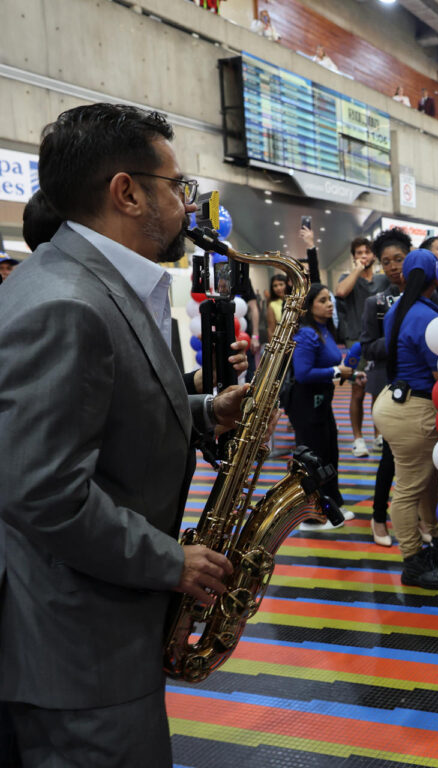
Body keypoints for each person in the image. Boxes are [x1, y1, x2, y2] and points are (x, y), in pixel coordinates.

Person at [0, 103, 247, 766]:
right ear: (127, 192)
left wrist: (201, 412)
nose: (187, 204)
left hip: (96, 634)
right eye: (177, 185)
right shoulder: (66, 301)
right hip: (79, 651)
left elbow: (100, 406)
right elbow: (44, 491)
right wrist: (173, 562)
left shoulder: (85, 283)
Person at [372, 249, 438, 588]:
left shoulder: (400, 309)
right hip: (415, 409)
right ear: (436, 280)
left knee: (426, 480)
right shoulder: (428, 317)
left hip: (393, 401)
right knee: (410, 487)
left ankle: (435, 541)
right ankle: (412, 561)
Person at [286, 283, 356, 531]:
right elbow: (303, 374)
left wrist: (345, 374)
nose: (329, 304)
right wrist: (336, 371)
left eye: (330, 300)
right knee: (312, 460)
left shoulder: (324, 330)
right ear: (309, 306)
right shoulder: (306, 333)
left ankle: (332, 504)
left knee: (329, 453)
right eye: (323, 300)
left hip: (322, 403)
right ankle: (311, 517)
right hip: (305, 404)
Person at [360, 230, 409, 546]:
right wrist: (402, 339)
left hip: (425, 387)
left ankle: (418, 520)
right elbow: (367, 347)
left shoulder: (432, 297)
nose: (393, 267)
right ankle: (379, 518)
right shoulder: (376, 302)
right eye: (386, 262)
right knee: (391, 456)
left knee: (420, 461)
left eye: (399, 260)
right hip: (391, 389)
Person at [335, 235, 392, 457]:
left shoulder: (382, 280)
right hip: (356, 342)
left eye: (367, 252)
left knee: (378, 390)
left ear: (374, 255)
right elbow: (340, 292)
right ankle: (358, 439)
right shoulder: (347, 277)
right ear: (354, 257)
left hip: (379, 342)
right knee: (357, 391)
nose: (363, 256)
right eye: (359, 253)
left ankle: (379, 433)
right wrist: (357, 270)